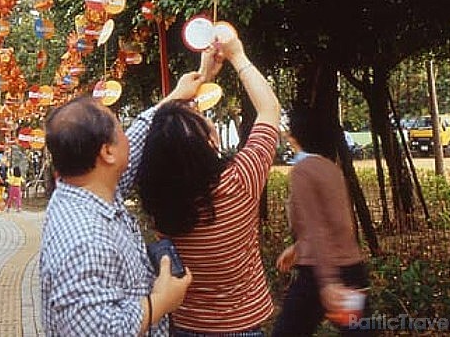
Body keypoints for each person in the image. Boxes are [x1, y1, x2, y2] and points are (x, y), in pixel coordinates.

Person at [136, 35, 281, 335]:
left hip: (184, 326)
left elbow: (166, 140)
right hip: (242, 327)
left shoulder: (161, 200)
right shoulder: (240, 182)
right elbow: (269, 111)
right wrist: (238, 56)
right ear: (211, 142)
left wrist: (202, 78)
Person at [40, 73, 203, 336]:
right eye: (119, 128)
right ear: (107, 152)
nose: (127, 135)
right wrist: (161, 301)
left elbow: (139, 134)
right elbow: (96, 332)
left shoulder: (88, 190)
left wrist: (176, 96)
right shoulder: (86, 240)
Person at [272, 107, 371, 336]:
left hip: (319, 272)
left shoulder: (302, 171)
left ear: (294, 136)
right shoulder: (331, 168)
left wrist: (327, 282)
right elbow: (337, 224)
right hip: (352, 269)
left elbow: (316, 227)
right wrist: (297, 248)